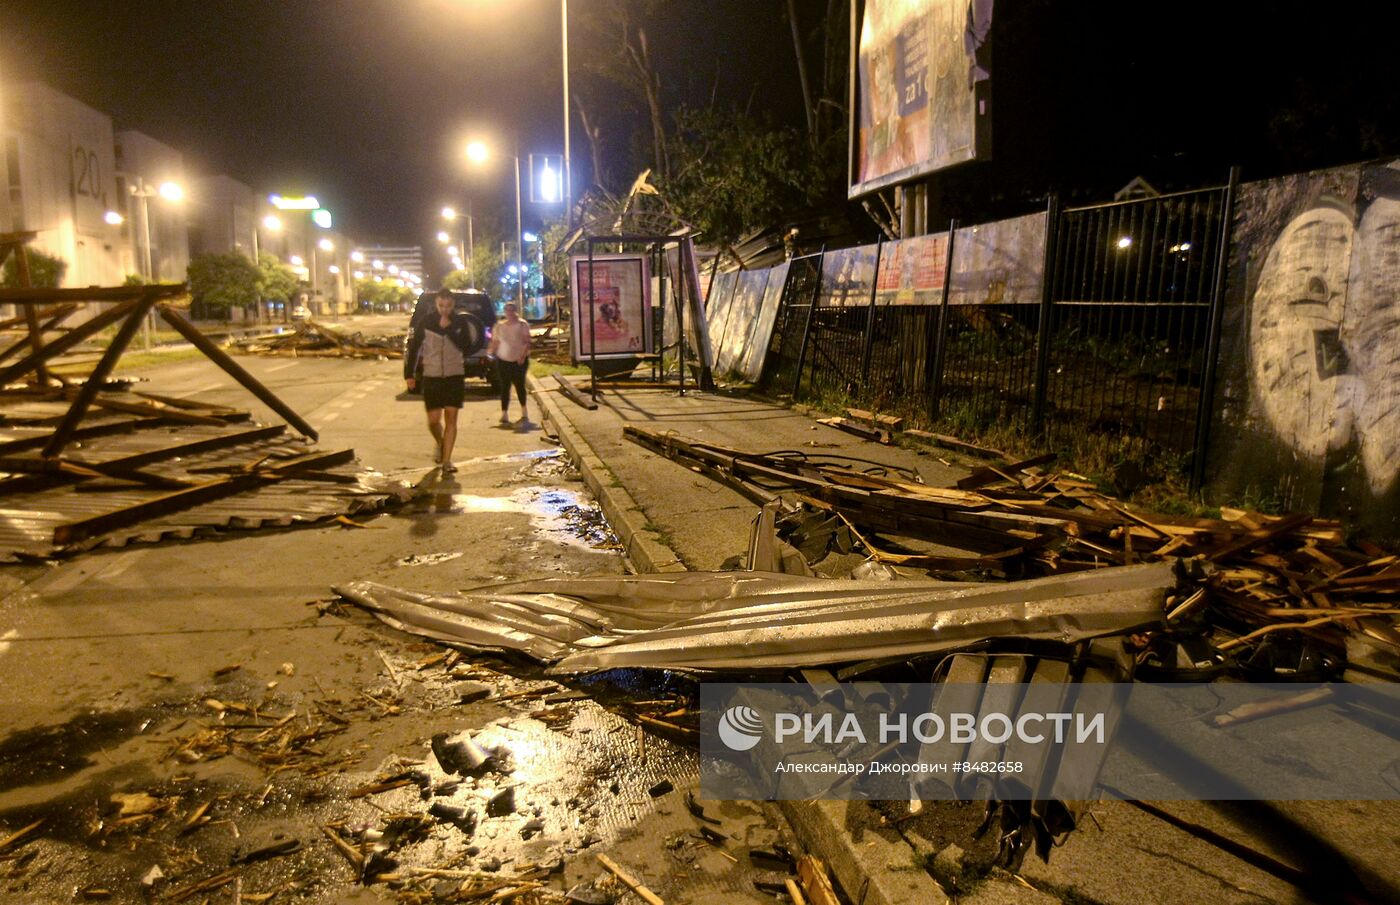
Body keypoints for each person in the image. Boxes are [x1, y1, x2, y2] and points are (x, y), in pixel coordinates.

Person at [405, 289, 481, 472]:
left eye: (448, 306)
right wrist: (409, 374)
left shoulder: (460, 322)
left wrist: (450, 331)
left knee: (451, 417)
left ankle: (447, 460)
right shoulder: (426, 322)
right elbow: (414, 348)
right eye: (441, 306)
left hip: (454, 375)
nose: (444, 309)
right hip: (431, 376)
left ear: (453, 304)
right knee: (433, 421)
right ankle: (440, 443)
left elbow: (467, 347)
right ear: (436, 304)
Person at [487, 302, 532, 425]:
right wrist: (490, 353)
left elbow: (527, 341)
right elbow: (495, 342)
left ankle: (524, 411)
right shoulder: (499, 326)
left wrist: (522, 356)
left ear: (515, 311)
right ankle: (504, 413)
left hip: (519, 360)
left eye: (512, 310)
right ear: (505, 312)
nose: (509, 313)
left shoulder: (522, 325)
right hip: (503, 360)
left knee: (519, 386)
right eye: (507, 310)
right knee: (505, 387)